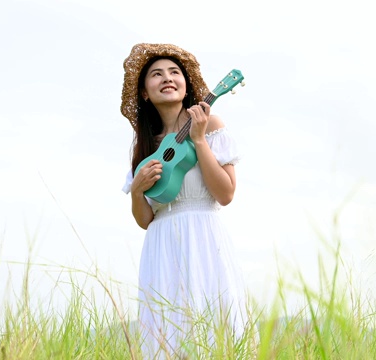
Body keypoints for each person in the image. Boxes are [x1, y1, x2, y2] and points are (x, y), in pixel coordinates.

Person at [120, 43, 254, 357]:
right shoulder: (143, 146)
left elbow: (226, 194)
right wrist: (138, 190)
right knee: (167, 334)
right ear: (144, 92)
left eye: (174, 72)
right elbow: (144, 220)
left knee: (215, 328)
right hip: (161, 243)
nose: (167, 78)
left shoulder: (212, 127)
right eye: (156, 74)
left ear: (185, 84)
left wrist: (198, 139)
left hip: (205, 236)